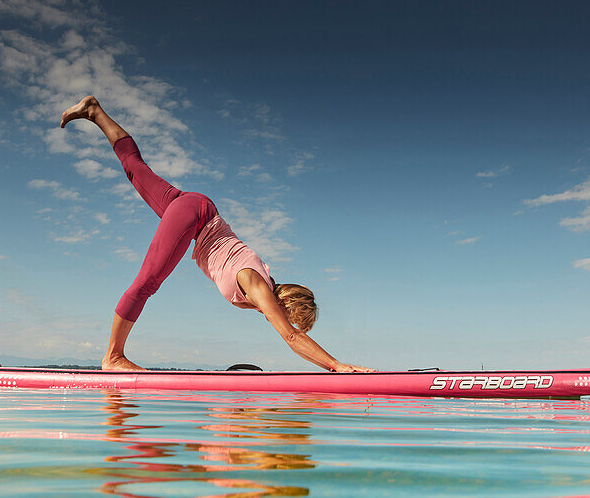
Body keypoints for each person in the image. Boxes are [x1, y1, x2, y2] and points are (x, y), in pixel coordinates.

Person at [60, 96, 373, 373]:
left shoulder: (258, 289)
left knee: (135, 168)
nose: (288, 324)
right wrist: (337, 365)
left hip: (195, 210)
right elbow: (291, 337)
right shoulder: (256, 283)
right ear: (288, 307)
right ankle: (113, 356)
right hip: (194, 216)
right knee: (147, 282)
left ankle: (95, 111)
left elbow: (290, 332)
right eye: (292, 318)